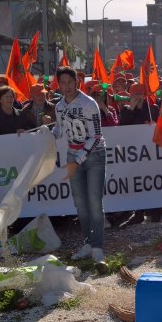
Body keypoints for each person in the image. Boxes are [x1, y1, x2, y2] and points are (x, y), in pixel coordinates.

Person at [51, 66, 107, 262]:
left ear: (77, 82)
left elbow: (96, 134)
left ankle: (98, 247)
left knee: (94, 203)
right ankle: (87, 243)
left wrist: (79, 157)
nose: (66, 87)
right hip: (72, 155)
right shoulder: (59, 106)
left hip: (94, 155)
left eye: (69, 82)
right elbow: (60, 128)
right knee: (80, 204)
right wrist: (48, 134)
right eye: (62, 83)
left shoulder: (88, 103)